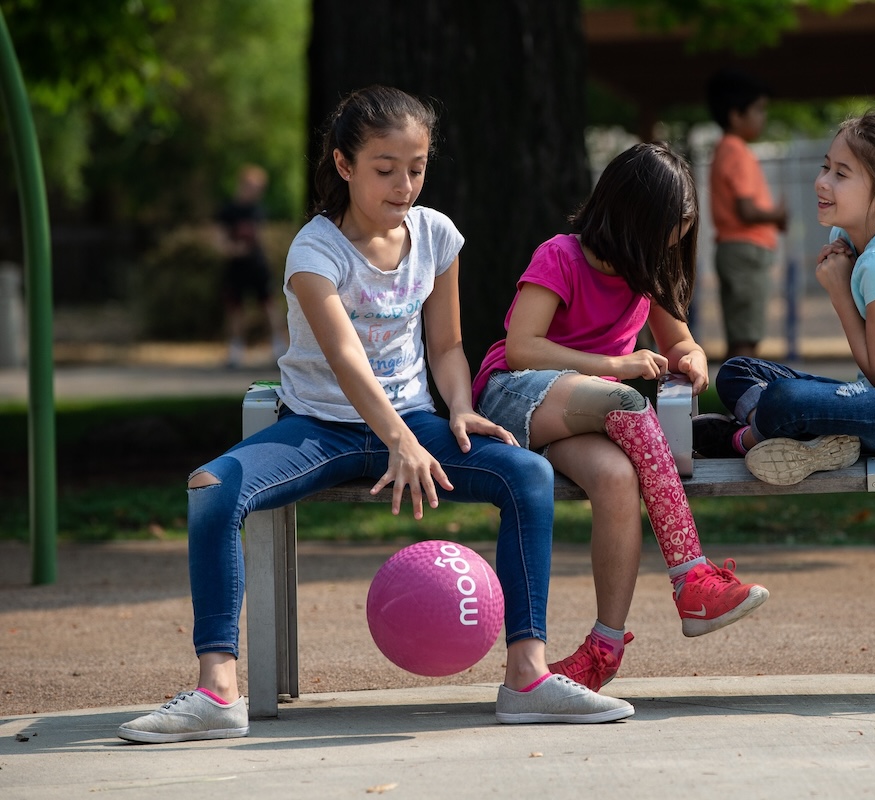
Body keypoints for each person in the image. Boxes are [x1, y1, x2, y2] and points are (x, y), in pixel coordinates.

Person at [117, 85, 633, 744]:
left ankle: (527, 678)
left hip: (416, 420)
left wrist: (462, 409)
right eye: (385, 169)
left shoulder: (437, 235)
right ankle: (217, 690)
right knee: (213, 488)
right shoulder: (314, 251)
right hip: (321, 429)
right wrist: (397, 440)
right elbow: (345, 361)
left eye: (416, 168)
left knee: (526, 477)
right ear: (344, 165)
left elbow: (446, 344)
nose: (404, 185)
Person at [471, 142, 770, 693]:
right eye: (665, 231)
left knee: (617, 479)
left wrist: (691, 361)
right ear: (632, 217)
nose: (671, 245)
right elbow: (521, 348)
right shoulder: (559, 255)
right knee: (627, 401)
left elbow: (681, 340)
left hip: (589, 412)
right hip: (514, 397)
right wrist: (619, 364)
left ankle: (603, 649)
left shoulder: (644, 271)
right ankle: (691, 579)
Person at [696, 110, 875, 486]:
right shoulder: (854, 236)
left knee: (784, 399)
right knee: (739, 371)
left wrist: (839, 294)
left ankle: (742, 440)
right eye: (825, 167)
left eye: (841, 174)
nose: (822, 182)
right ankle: (810, 439)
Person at [705, 68, 788, 360]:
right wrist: (777, 215)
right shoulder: (736, 150)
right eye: (758, 109)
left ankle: (735, 396)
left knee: (740, 332)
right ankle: (742, 401)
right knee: (746, 338)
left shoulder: (725, 149)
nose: (762, 117)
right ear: (735, 115)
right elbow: (747, 210)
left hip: (734, 249)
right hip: (745, 250)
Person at [215, 163, 288, 368]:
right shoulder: (228, 210)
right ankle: (235, 351)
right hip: (235, 267)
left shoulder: (258, 210)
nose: (256, 192)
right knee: (235, 309)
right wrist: (232, 249)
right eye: (253, 187)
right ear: (243, 184)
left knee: (270, 305)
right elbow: (219, 240)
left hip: (257, 265)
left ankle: (278, 347)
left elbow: (262, 237)